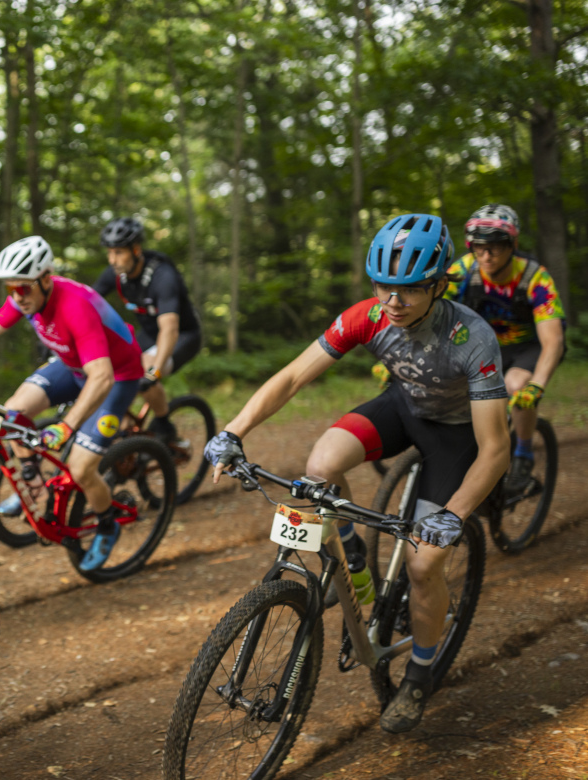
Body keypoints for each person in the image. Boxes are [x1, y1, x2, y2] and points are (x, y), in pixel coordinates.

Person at [204, 213, 509, 734]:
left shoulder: (472, 338)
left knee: (421, 564)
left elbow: (496, 449)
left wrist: (454, 515)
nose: (393, 300)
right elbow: (294, 375)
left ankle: (418, 673)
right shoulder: (367, 316)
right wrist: (233, 430)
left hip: (457, 435)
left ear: (438, 286)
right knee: (320, 467)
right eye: (383, 285)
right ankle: (355, 558)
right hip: (403, 407)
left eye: (409, 290)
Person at [0, 235, 144, 570]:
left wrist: (66, 426)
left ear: (46, 279)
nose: (17, 297)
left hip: (116, 376)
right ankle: (35, 484)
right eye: (10, 289)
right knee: (11, 415)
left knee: (81, 467)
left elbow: (100, 376)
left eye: (24, 289)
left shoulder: (75, 306)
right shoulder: (26, 296)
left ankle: (107, 523)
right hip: (73, 365)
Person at [445, 203, 566, 495]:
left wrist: (537, 385)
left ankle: (523, 454)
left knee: (515, 385)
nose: (486, 255)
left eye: (495, 247)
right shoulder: (462, 271)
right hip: (484, 345)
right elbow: (433, 312)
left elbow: (553, 340)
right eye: (479, 247)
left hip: (529, 347)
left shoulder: (535, 277)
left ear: (513, 244)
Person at [92, 217, 203, 443]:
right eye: (110, 253)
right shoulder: (115, 274)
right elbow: (84, 303)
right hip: (149, 334)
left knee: (144, 370)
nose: (113, 260)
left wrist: (155, 372)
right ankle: (127, 430)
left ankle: (164, 424)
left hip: (183, 335)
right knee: (108, 369)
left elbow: (169, 329)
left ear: (136, 250)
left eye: (119, 253)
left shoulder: (163, 276)